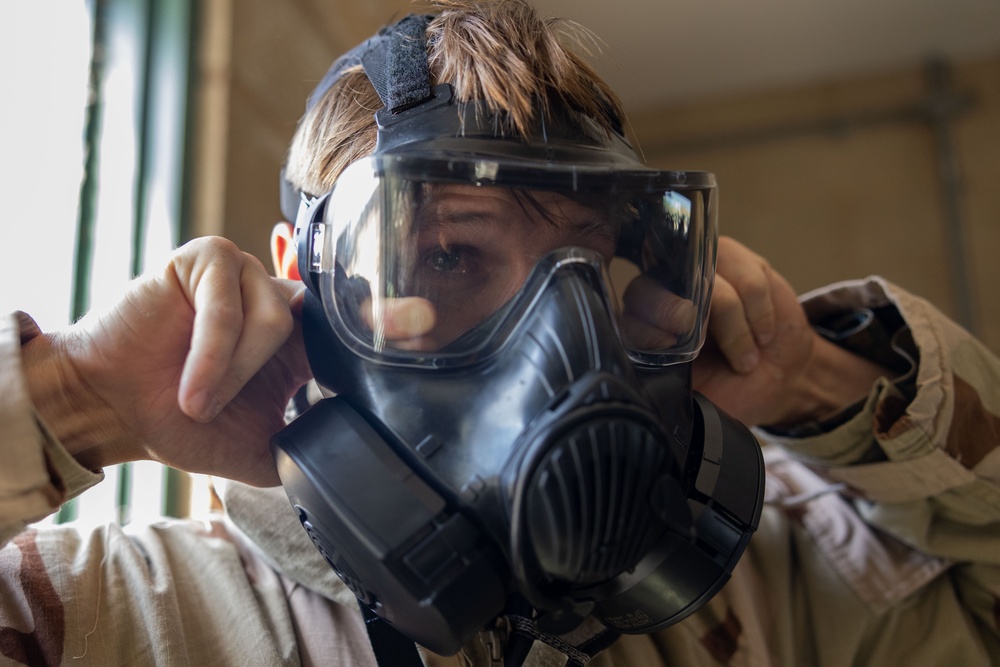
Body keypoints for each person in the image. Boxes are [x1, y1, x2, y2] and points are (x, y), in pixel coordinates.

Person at [2, 0, 998, 665]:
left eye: (590, 266)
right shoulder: (130, 617)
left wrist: (819, 383)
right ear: (302, 283)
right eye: (445, 257)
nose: (562, 344)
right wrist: (71, 399)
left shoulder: (791, 589)